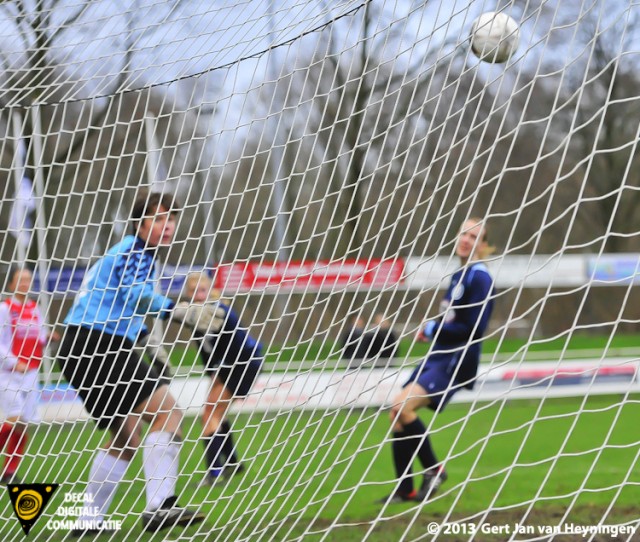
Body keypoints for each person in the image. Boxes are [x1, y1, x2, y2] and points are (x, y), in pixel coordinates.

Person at [58, 192, 213, 534]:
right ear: (140, 225)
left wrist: (146, 341)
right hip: (99, 344)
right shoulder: (135, 250)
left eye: (171, 218)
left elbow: (117, 302)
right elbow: (135, 295)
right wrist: (179, 310)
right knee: (168, 412)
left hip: (77, 348)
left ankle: (88, 521)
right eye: (157, 219)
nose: (167, 224)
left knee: (127, 437)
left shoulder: (127, 253)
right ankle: (160, 506)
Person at [378, 217, 495, 504]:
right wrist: (430, 329)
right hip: (438, 355)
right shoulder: (460, 274)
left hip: (455, 359)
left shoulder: (480, 277)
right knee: (397, 413)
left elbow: (474, 329)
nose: (466, 240)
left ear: (482, 245)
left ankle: (435, 470)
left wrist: (433, 328)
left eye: (473, 236)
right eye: (463, 234)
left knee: (402, 407)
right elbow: (453, 317)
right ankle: (406, 489)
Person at [181, 272, 263, 486]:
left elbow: (234, 347)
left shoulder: (220, 312)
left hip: (244, 363)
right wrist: (213, 376)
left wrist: (218, 374)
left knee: (210, 415)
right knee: (214, 413)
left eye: (201, 290)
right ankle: (233, 463)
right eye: (193, 291)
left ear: (209, 291)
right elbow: (207, 354)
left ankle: (215, 473)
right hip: (226, 366)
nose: (198, 296)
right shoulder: (195, 318)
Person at [0, 266, 55, 484]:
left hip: (32, 372)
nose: (24, 283)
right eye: (20, 279)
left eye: (28, 279)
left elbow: (38, 335)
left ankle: (10, 471)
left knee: (23, 423)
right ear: (12, 284)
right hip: (8, 374)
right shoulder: (5, 308)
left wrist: (49, 337)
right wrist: (15, 362)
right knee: (14, 418)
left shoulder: (34, 308)